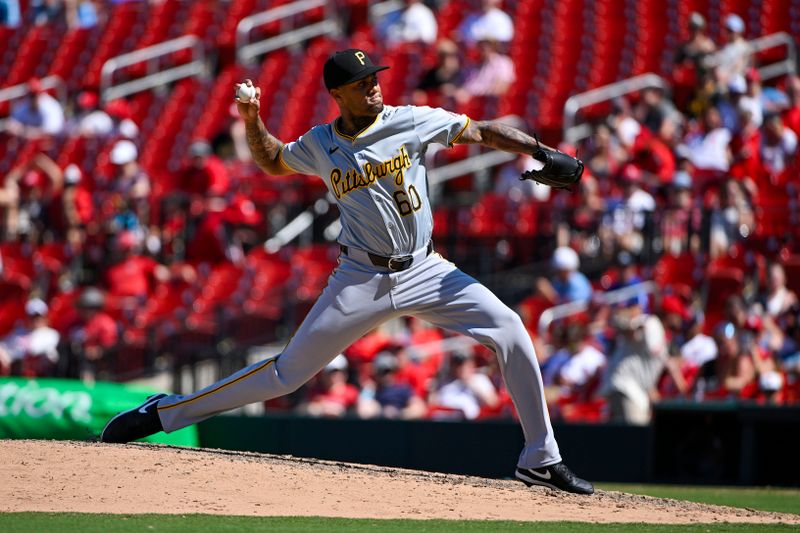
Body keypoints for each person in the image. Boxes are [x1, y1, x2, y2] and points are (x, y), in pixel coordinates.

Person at [101, 48, 594, 494]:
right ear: (338, 94)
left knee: (510, 328)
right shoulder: (321, 143)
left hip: (426, 269)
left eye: (374, 78)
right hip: (362, 278)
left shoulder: (411, 120)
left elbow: (482, 130)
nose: (374, 86)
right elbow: (273, 160)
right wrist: (252, 118)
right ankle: (165, 412)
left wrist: (539, 150)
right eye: (361, 83)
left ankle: (541, 458)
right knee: (286, 375)